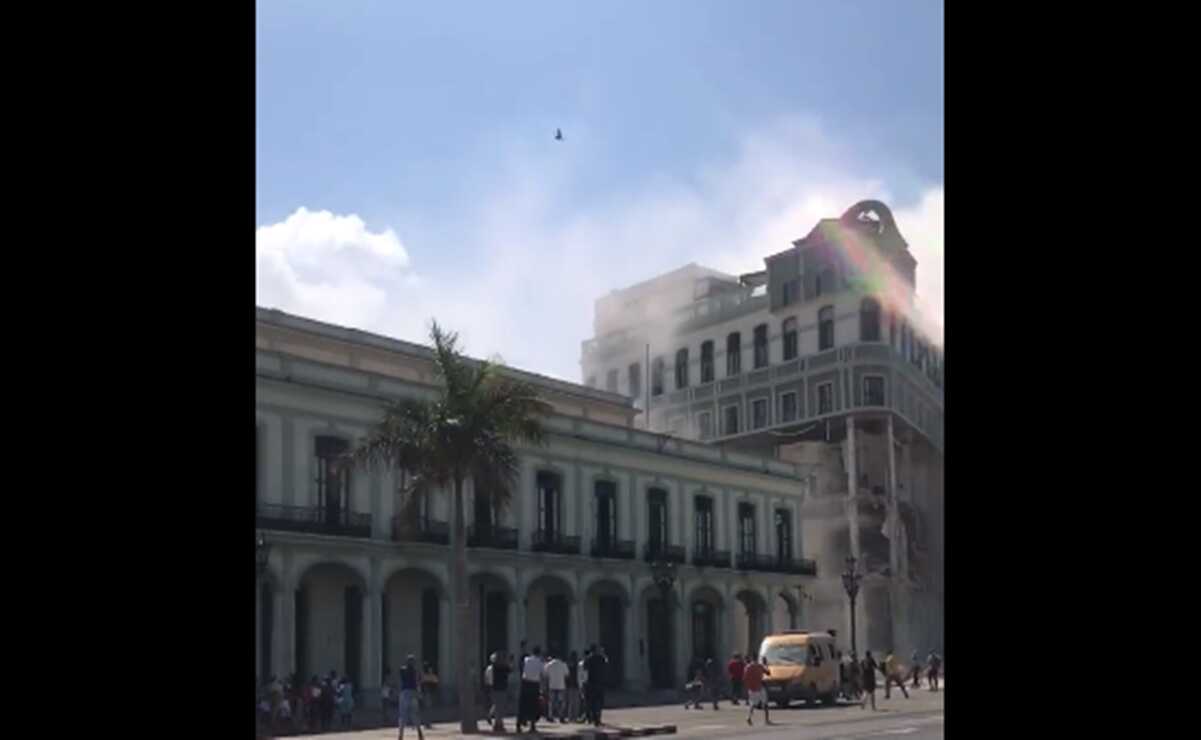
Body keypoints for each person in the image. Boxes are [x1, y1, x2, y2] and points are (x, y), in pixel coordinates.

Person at [518, 645, 545, 732]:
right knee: (533, 706)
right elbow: (543, 674)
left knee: (522, 705)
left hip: (525, 683)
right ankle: (532, 726)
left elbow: (522, 667)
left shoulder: (526, 659)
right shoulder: (540, 662)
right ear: (539, 653)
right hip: (534, 684)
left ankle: (518, 725)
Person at [398, 655, 425, 740]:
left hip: (405, 693)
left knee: (403, 715)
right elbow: (419, 681)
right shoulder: (415, 671)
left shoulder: (402, 670)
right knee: (414, 714)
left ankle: (400, 735)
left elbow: (402, 672)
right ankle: (419, 731)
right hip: (413, 692)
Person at [584, 644, 608, 726]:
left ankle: (594, 718)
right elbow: (606, 665)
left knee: (592, 702)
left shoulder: (588, 659)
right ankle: (598, 718)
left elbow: (585, 670)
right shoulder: (601, 658)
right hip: (599, 683)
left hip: (591, 683)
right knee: (599, 702)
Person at [744, 655, 771, 726]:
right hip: (760, 687)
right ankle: (766, 720)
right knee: (765, 703)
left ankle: (749, 717)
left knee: (752, 704)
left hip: (752, 688)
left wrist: (747, 686)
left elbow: (745, 678)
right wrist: (766, 664)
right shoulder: (760, 666)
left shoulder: (747, 667)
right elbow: (768, 673)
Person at [544, 652, 570, 723]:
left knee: (551, 702)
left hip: (552, 685)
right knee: (561, 702)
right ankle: (561, 716)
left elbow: (545, 675)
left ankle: (550, 716)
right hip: (561, 685)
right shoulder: (563, 664)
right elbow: (567, 675)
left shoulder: (548, 665)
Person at [489, 652, 512, 732]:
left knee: (498, 707)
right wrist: (509, 662)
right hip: (501, 688)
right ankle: (498, 725)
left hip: (496, 688)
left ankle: (498, 723)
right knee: (500, 708)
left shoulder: (494, 667)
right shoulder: (502, 667)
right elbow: (510, 669)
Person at [420, 662, 439, 729]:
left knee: (427, 709)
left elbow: (436, 681)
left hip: (428, 694)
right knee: (427, 709)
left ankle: (427, 723)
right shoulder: (427, 676)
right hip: (427, 694)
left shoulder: (428, 676)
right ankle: (427, 723)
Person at [566, 650, 581, 722]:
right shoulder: (577, 665)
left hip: (570, 685)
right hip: (576, 685)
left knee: (571, 702)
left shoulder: (568, 665)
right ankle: (574, 717)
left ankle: (570, 717)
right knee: (576, 702)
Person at [578, 649, 591, 722]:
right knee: (586, 701)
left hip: (585, 683)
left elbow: (579, 676)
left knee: (585, 701)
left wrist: (580, 685)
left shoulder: (581, 663)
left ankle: (586, 716)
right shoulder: (583, 664)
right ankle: (586, 716)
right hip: (587, 683)